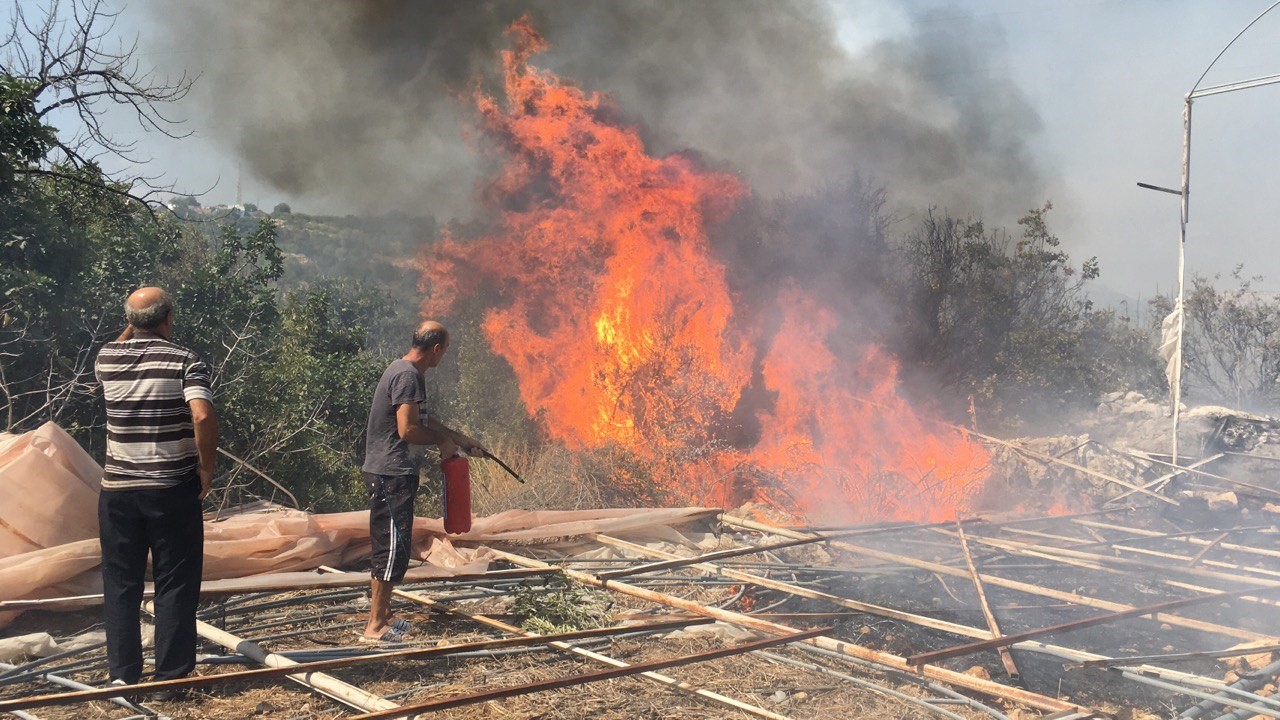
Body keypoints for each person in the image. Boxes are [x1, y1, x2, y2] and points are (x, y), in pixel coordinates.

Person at [95, 287, 217, 689]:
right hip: (171, 489)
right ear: (169, 319)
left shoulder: (106, 358)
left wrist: (133, 324)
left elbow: (121, 342)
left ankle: (122, 677)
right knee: (175, 583)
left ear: (130, 322)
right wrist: (206, 466)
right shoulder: (185, 360)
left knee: (120, 583)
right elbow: (201, 414)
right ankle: (170, 680)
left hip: (117, 491)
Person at [361, 320, 484, 642]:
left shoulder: (403, 370)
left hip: (394, 472)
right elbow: (408, 430)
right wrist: (442, 444)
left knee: (397, 546)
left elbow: (422, 419)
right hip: (391, 473)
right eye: (445, 351)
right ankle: (374, 626)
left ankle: (385, 614)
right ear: (436, 349)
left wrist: (458, 438)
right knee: (390, 548)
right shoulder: (408, 376)